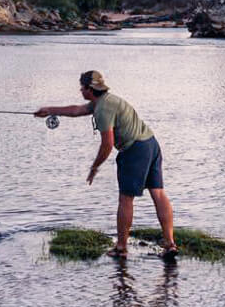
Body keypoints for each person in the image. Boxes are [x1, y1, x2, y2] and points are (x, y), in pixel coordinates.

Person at [35, 70, 176, 259]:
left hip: (134, 150)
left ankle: (121, 248)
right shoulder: (105, 100)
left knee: (126, 199)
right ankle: (169, 243)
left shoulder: (102, 109)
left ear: (89, 89)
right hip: (151, 143)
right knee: (158, 193)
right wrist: (50, 110)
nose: (80, 90)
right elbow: (77, 110)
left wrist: (94, 167)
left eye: (82, 87)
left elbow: (107, 144)